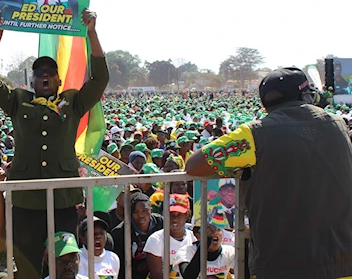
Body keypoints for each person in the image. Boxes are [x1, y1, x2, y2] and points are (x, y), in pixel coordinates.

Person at [0, 7, 108, 279]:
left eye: (51, 72)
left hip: (62, 200)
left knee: (64, 267)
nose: (45, 76)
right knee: (28, 268)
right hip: (26, 201)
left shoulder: (72, 102)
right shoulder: (18, 101)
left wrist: (92, 34)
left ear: (59, 79)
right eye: (40, 73)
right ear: (33, 80)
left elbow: (100, 80)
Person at [186, 67, 352, 279]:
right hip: (343, 261)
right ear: (306, 95)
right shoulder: (338, 124)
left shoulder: (255, 133)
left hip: (282, 264)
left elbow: (194, 165)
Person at [111, 192, 164, 279]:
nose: (141, 215)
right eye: (136, 212)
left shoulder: (161, 223)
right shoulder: (120, 233)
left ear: (151, 210)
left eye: (145, 211)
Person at [144, 194, 197, 279]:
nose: (175, 219)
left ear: (187, 215)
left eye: (179, 214)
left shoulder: (194, 239)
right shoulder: (155, 240)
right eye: (171, 214)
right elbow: (157, 276)